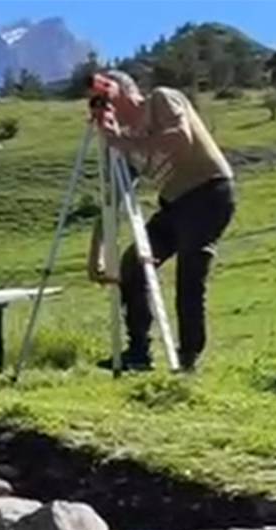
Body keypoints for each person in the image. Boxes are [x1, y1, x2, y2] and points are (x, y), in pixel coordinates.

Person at [90, 70, 235, 372]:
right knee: (134, 266)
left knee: (190, 274)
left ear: (126, 93)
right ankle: (139, 351)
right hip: (173, 204)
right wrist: (97, 254)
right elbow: (112, 197)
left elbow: (180, 138)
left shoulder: (161, 99)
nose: (106, 106)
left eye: (108, 97)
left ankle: (188, 357)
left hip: (207, 191)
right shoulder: (125, 140)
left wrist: (124, 142)